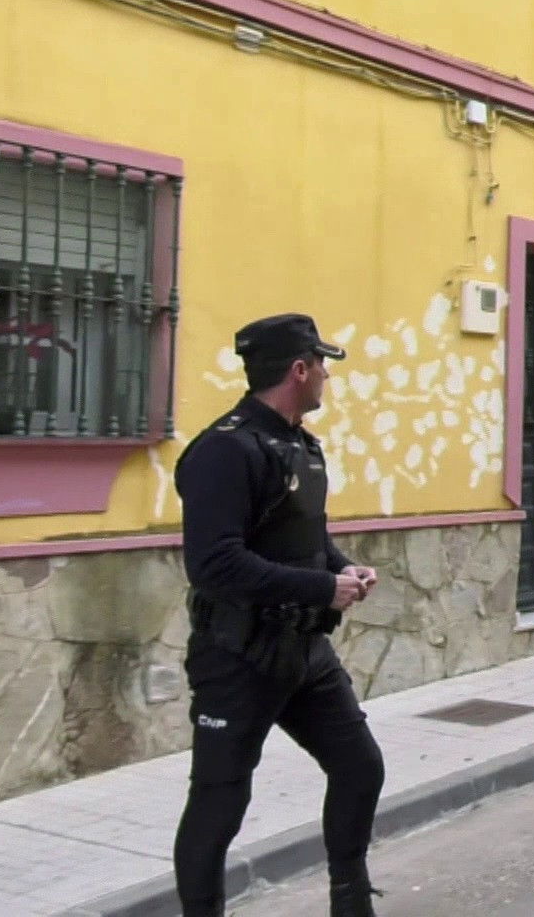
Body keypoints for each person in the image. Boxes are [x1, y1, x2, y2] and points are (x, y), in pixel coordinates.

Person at [173, 314, 387, 917]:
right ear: (299, 370)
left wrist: (343, 569)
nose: (326, 377)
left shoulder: (301, 445)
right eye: (321, 366)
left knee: (359, 767)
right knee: (220, 802)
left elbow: (304, 538)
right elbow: (214, 564)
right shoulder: (225, 450)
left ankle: (351, 903)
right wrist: (322, 587)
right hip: (237, 655)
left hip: (304, 652)